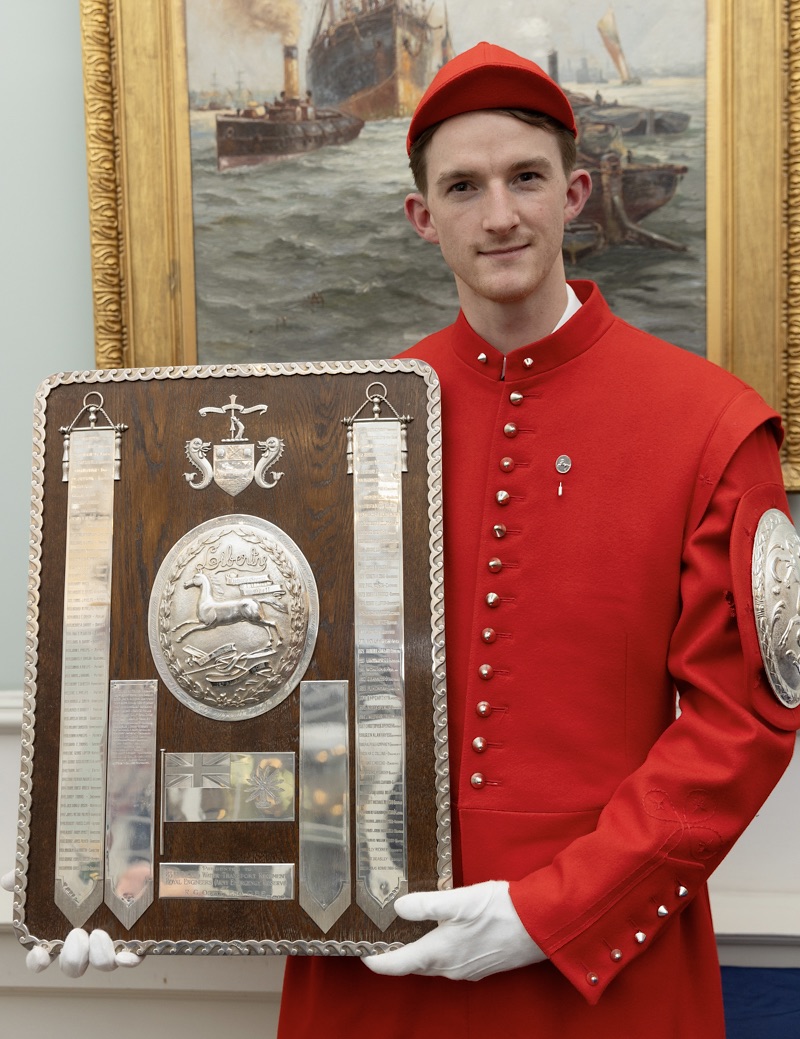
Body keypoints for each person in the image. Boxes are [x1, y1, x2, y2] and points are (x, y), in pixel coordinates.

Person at [277, 41, 800, 1038]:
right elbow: (277, 682)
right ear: (421, 218)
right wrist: (142, 869)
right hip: (372, 960)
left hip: (603, 967)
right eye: (463, 188)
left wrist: (547, 912)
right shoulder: (341, 422)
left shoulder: (711, 423)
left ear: (575, 192)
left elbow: (740, 724)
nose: (500, 215)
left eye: (524, 178)